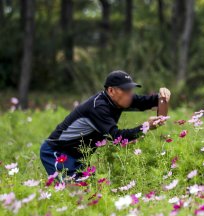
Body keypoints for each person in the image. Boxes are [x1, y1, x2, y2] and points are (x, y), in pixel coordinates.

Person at [40, 70, 171, 178]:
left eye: (131, 89)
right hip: (57, 152)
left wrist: (162, 95)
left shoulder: (120, 99)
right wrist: (146, 127)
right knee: (73, 193)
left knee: (89, 194)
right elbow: (116, 137)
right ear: (111, 90)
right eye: (125, 90)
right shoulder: (98, 107)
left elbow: (145, 101)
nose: (130, 94)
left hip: (79, 157)